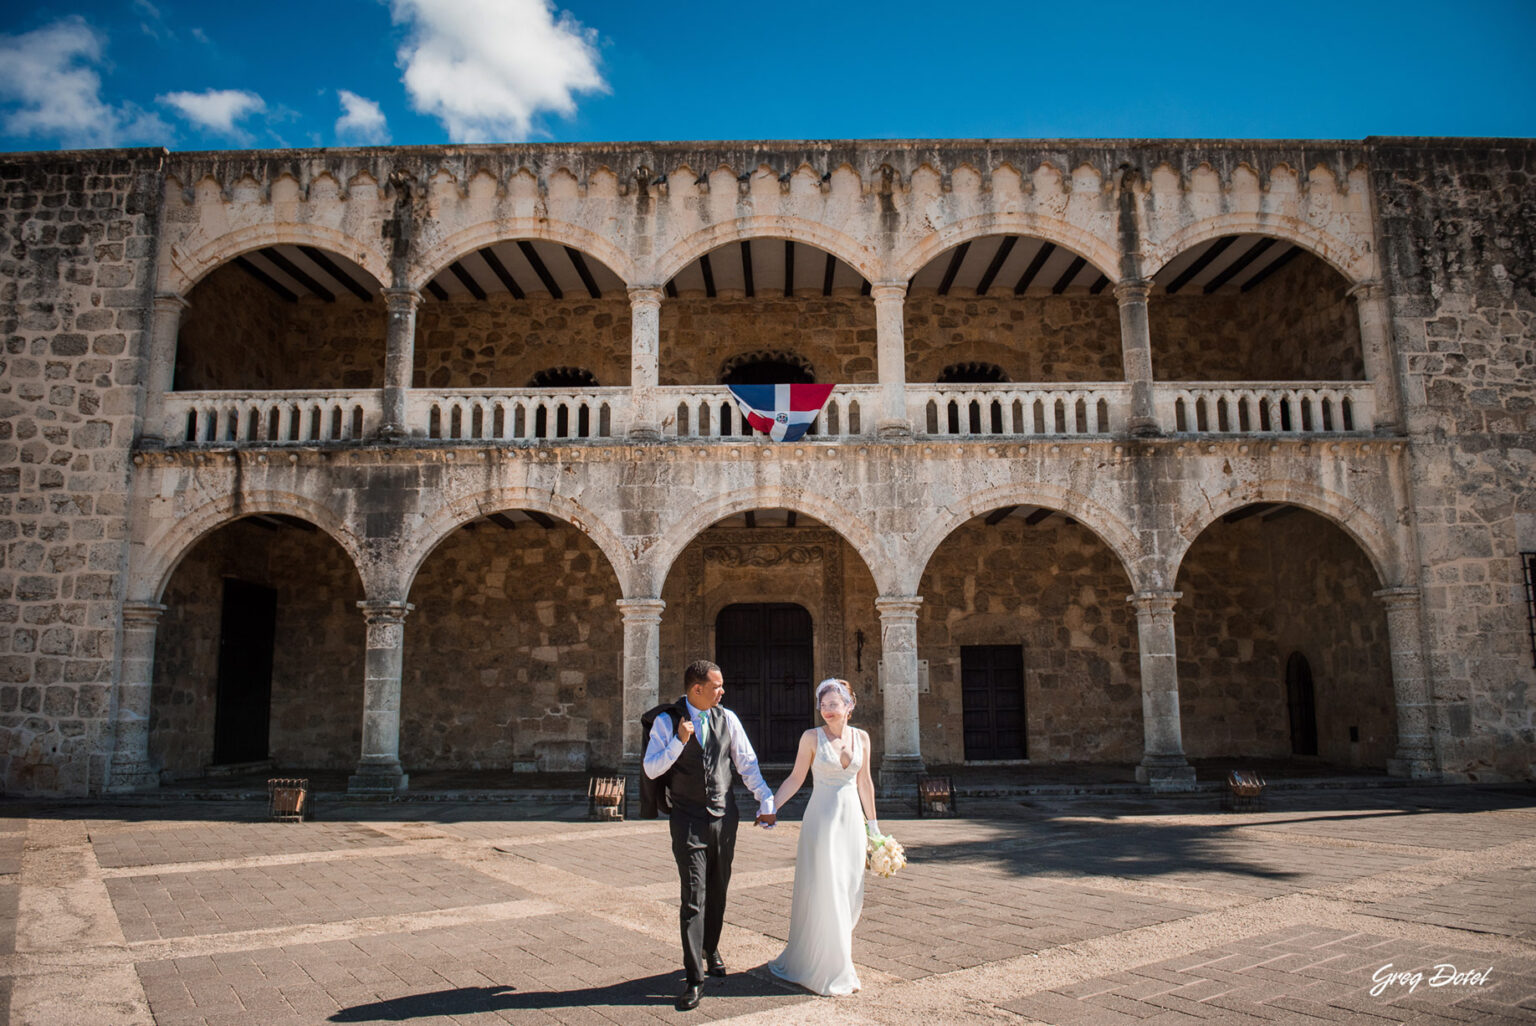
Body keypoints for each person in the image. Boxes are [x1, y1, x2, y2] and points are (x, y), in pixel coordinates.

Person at [643, 659, 776, 1012]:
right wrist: (678, 743)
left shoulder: (728, 719)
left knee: (718, 888)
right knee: (693, 894)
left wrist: (765, 797)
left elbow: (746, 764)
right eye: (716, 686)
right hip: (686, 819)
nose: (723, 691)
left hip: (723, 817)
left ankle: (711, 946)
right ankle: (694, 977)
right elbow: (651, 766)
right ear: (696, 689)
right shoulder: (666, 721)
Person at [767, 677, 879, 996]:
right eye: (823, 704)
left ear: (849, 706)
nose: (828, 710)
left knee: (849, 890)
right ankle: (834, 967)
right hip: (821, 821)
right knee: (825, 889)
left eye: (834, 704)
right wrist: (771, 806)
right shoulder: (810, 738)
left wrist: (874, 827)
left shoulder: (862, 738)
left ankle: (837, 954)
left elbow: (865, 784)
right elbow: (795, 778)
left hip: (852, 823)